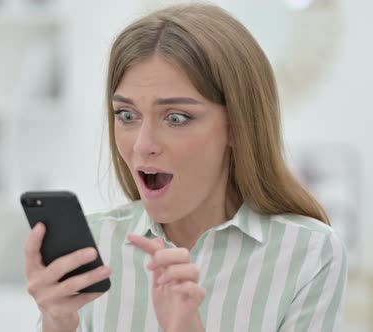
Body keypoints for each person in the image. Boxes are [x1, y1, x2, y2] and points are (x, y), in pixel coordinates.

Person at [24, 3, 348, 332]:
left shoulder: (309, 253)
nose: (142, 144)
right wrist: (57, 323)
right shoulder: (93, 249)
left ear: (238, 126)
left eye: (176, 118)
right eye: (127, 115)